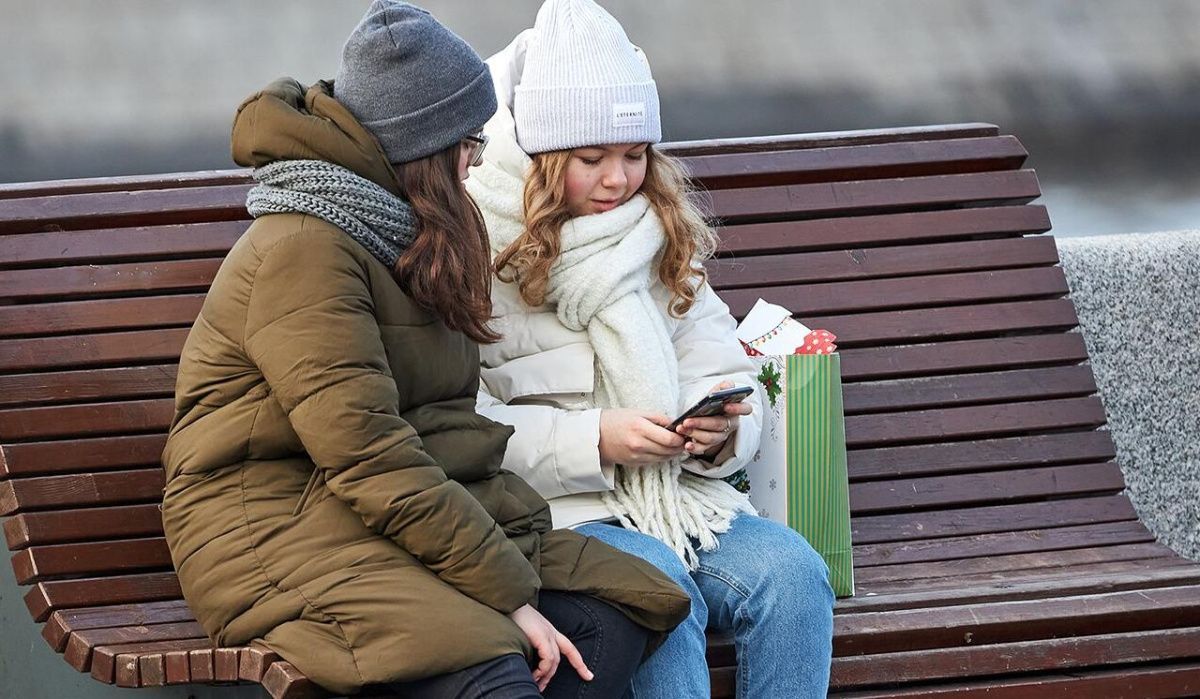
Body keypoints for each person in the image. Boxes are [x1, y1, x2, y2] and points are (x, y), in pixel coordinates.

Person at [159, 3, 689, 697]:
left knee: (619, 607)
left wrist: (509, 544)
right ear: (426, 151)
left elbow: (431, 423)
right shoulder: (305, 251)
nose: (477, 160)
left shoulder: (400, 230)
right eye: (469, 144)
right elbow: (369, 455)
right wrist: (507, 592)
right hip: (269, 529)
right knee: (492, 664)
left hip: (364, 506)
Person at [466, 1, 835, 696]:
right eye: (591, 158)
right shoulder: (478, 244)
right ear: (542, 157)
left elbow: (727, 369)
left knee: (793, 574)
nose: (618, 179)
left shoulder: (661, 234)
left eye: (635, 155)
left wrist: (722, 432)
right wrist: (597, 439)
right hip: (556, 513)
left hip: (681, 499)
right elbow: (465, 424)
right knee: (658, 593)